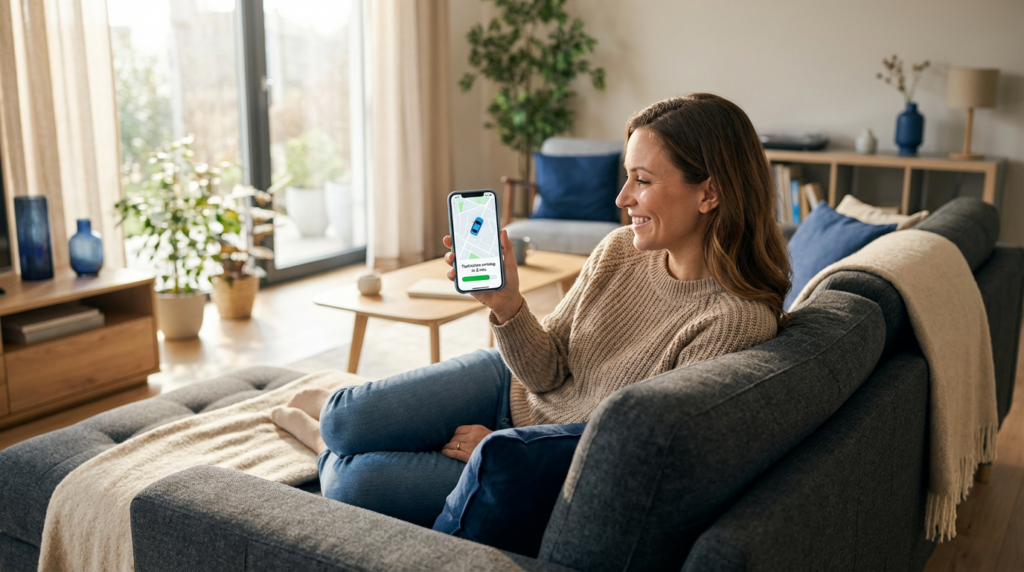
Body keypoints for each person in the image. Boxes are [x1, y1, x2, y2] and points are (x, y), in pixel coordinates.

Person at [271, 93, 792, 527]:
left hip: (533, 458)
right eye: (627, 176)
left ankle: (321, 448)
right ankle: (332, 435)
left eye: (643, 180)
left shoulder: (733, 321)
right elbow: (547, 369)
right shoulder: (617, 252)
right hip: (511, 385)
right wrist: (506, 303)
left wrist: (505, 444)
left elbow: (627, 446)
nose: (621, 197)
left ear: (710, 193)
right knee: (345, 419)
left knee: (356, 480)